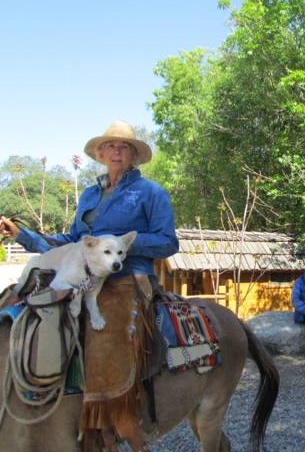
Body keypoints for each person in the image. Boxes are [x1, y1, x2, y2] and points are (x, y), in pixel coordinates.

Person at [1, 120, 179, 451]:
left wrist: (119, 245)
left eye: (124, 147)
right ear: (101, 153)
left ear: (133, 156)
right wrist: (22, 236)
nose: (116, 152)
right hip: (82, 274)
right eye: (110, 146)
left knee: (102, 335)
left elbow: (168, 242)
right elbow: (70, 242)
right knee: (18, 304)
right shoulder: (89, 195)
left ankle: (112, 424)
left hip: (128, 278)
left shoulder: (150, 192)